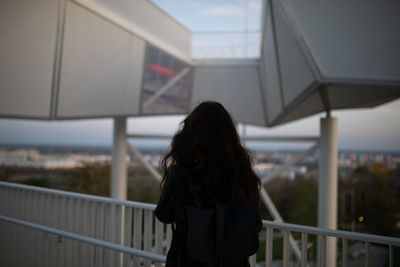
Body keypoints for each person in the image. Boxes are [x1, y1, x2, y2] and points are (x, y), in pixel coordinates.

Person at [155, 101, 262, 267]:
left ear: (190, 134)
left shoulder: (181, 173)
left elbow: (163, 214)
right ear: (229, 135)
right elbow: (256, 223)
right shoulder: (244, 175)